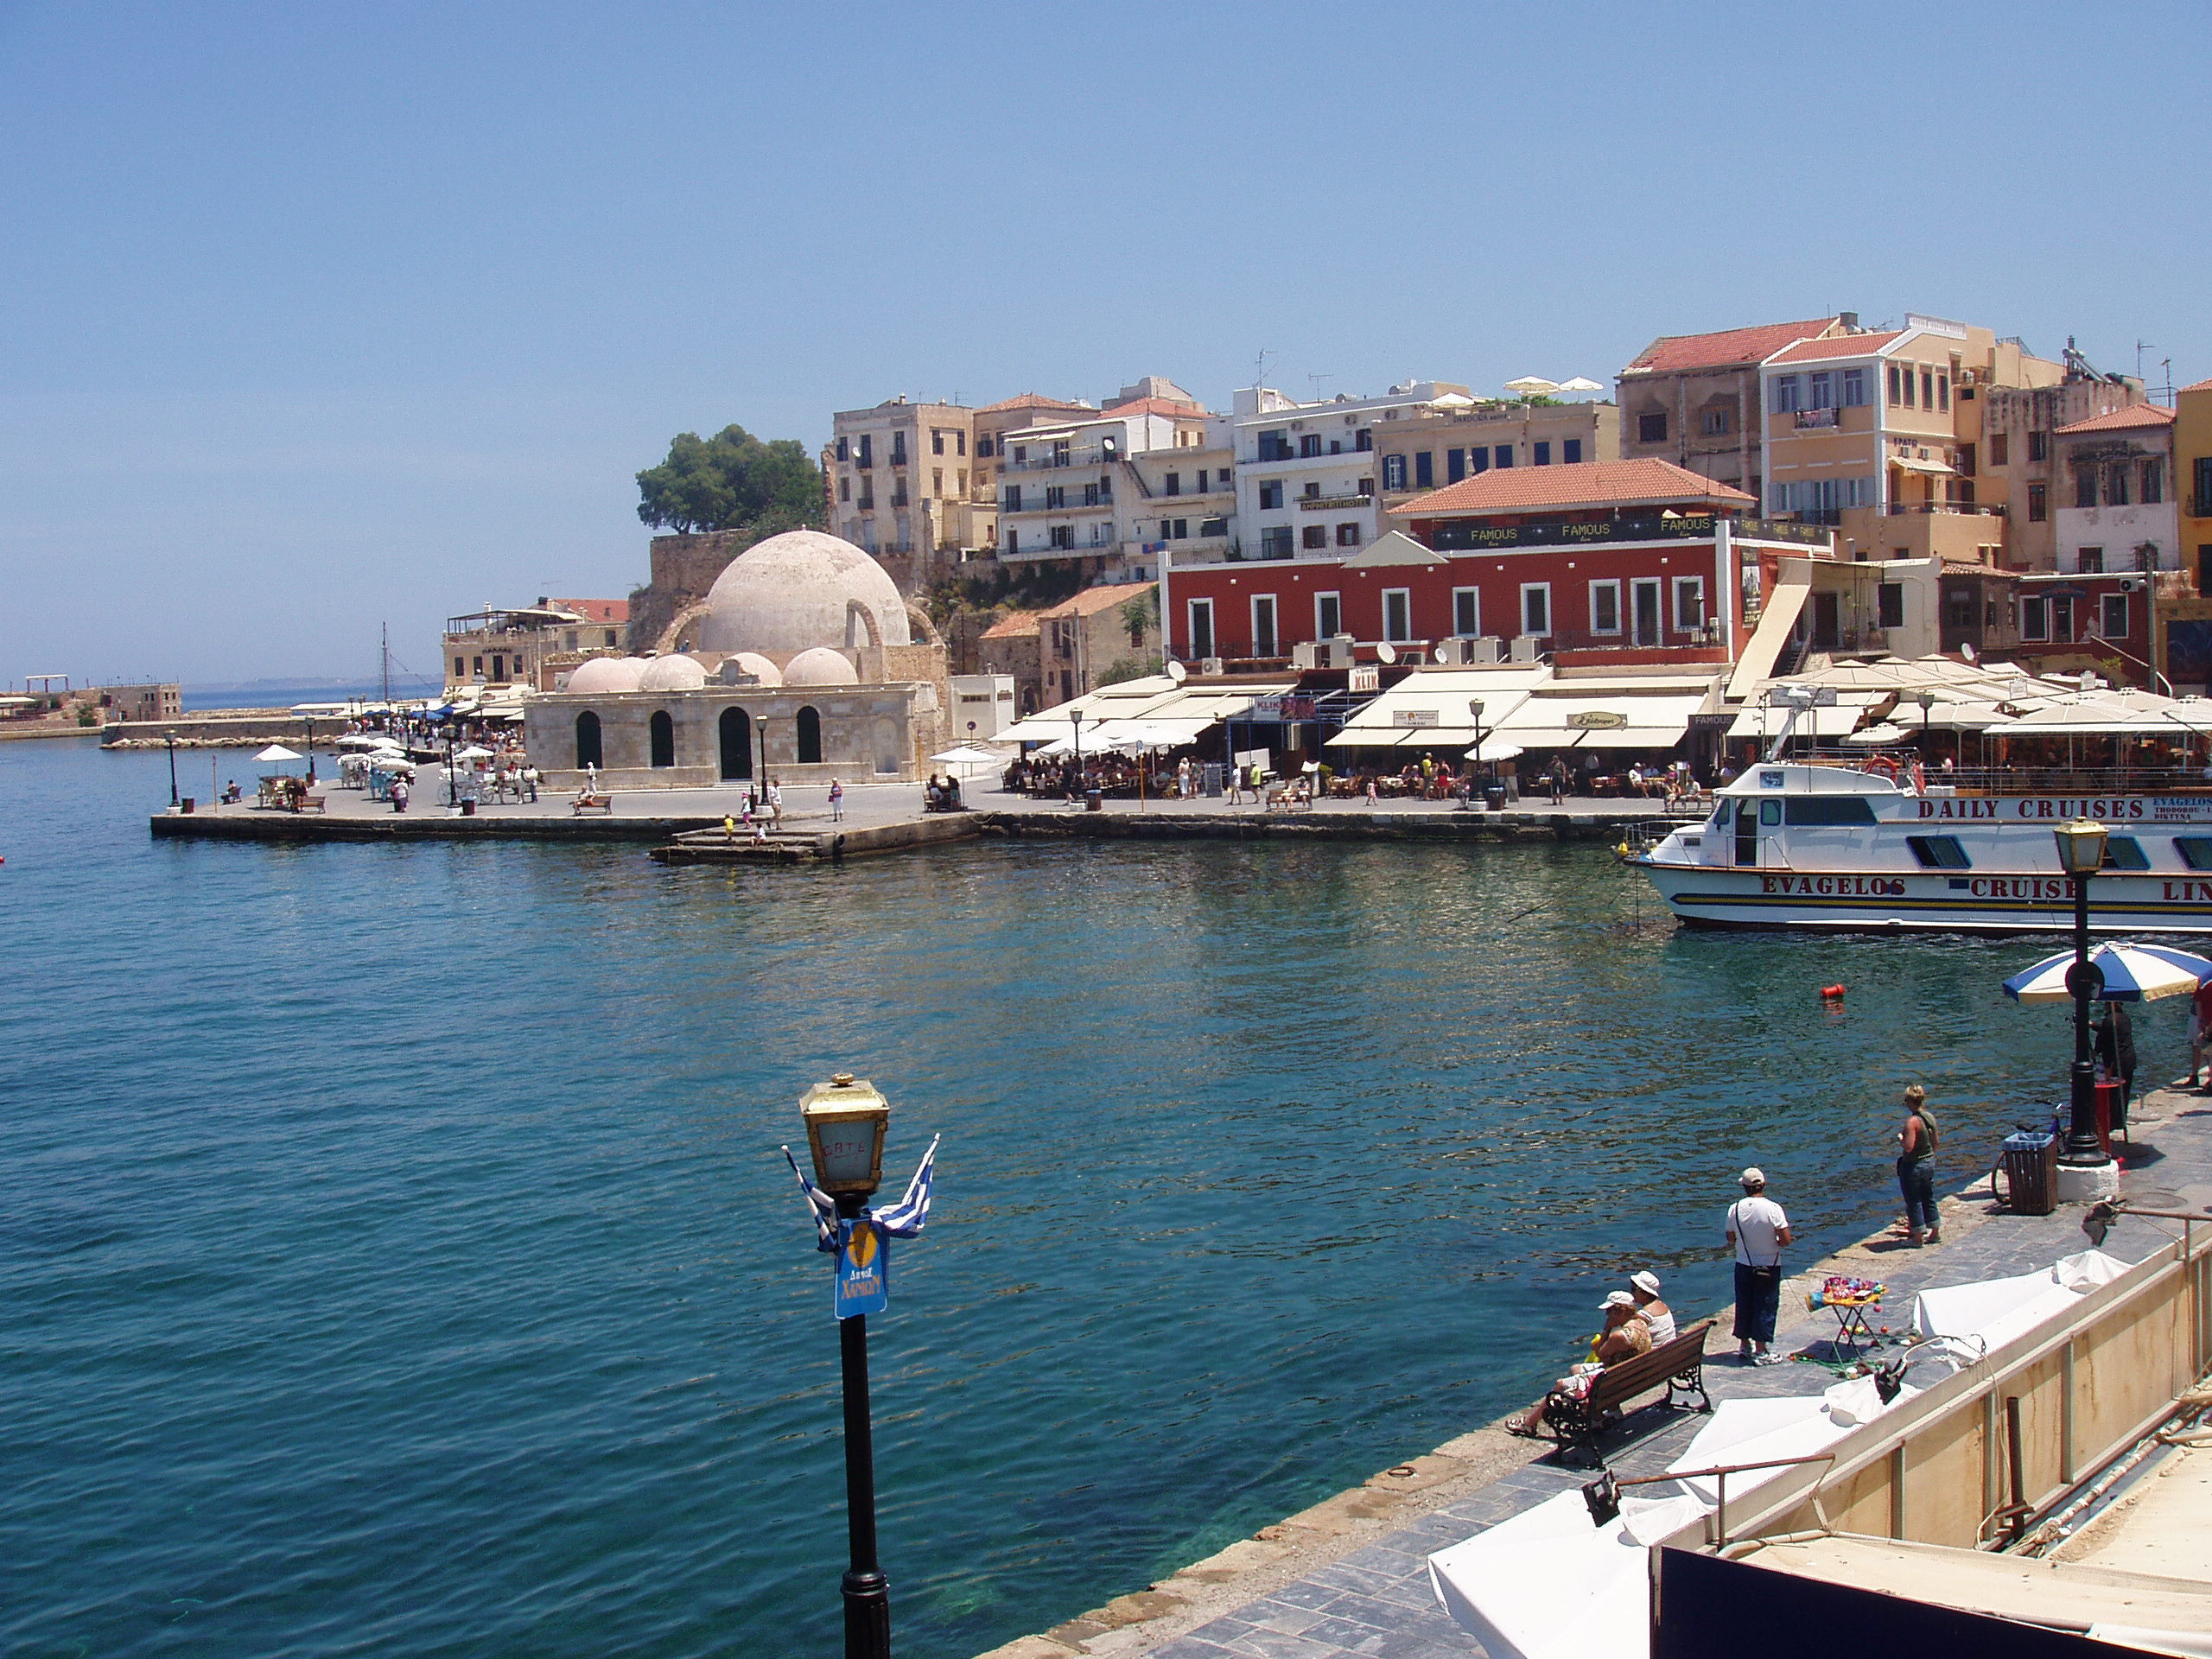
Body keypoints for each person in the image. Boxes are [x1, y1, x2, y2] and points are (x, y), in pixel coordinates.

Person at [1506, 1293, 1652, 1438]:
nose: (1607, 1315)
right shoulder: (1641, 1323)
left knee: (1559, 1385)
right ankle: (1598, 1415)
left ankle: (1528, 1424)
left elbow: (1599, 1352)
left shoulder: (1619, 1336)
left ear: (1620, 1311)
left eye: (1609, 1311)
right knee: (1576, 1368)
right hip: (1628, 1379)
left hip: (1611, 1386)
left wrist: (1607, 1329)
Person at [1726, 1167, 1792, 1364]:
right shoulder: (1773, 1209)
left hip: (1744, 1264)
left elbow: (1730, 1238)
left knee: (1744, 1304)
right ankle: (1761, 1351)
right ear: (1763, 1184)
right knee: (1765, 1306)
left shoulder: (1735, 1209)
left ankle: (1744, 1345)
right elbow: (1786, 1239)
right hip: (1769, 1266)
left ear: (1744, 1187)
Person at [1895, 1084, 1941, 1247]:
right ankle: (1935, 1232)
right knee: (1928, 1197)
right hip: (1929, 1162)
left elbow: (1908, 1146)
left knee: (1913, 1200)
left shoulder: (1912, 1121)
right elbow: (1936, 1142)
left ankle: (1918, 1237)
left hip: (1913, 1165)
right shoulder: (1929, 1117)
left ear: (1909, 1101)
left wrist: (1900, 1138)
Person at [2094, 1003, 2135, 1138]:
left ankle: (2110, 1123)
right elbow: (2110, 1031)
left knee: (2112, 1095)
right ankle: (2120, 1120)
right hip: (2129, 1059)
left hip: (2116, 1062)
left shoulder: (2109, 1020)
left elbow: (2103, 1041)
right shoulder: (2125, 1018)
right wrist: (2093, 1025)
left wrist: (2095, 1053)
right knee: (2124, 1093)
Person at [1629, 1271, 1675, 1344]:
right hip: (1671, 1347)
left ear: (1645, 1294)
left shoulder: (1644, 1314)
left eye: (1634, 1289)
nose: (1631, 1292)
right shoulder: (1663, 1305)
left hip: (1657, 1353)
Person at [2190, 973, 2212, 1090]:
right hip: (2207, 1021)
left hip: (2206, 1021)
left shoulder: (2204, 982)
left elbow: (2198, 1001)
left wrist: (2201, 1022)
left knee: (2207, 1051)